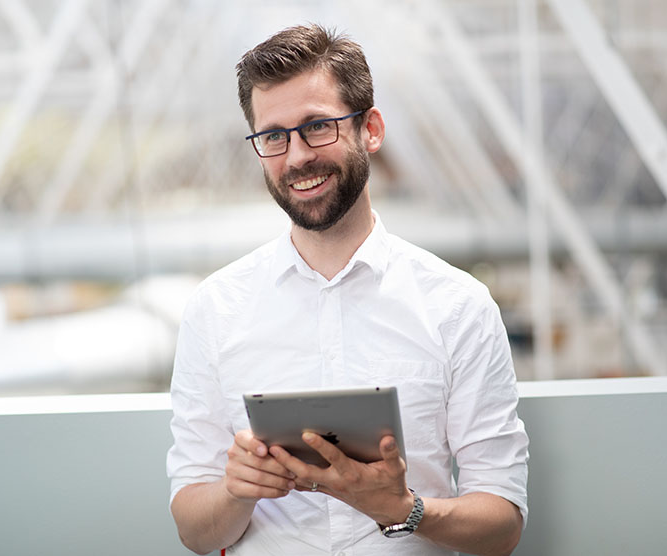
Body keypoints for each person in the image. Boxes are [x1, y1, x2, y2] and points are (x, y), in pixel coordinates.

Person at [167, 23, 529, 556]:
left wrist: (404, 510)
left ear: (372, 130)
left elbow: (502, 526)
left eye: (317, 127)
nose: (295, 158)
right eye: (273, 136)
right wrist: (236, 493)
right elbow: (194, 532)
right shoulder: (214, 309)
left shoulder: (459, 306)